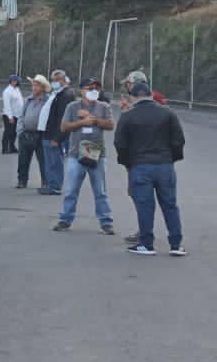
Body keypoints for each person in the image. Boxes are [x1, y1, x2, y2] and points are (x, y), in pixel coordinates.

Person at [116, 81, 187, 256]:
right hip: (164, 164)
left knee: (145, 206)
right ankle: (176, 245)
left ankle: (146, 244)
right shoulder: (167, 113)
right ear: (151, 95)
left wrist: (128, 163)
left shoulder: (127, 116)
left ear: (133, 97)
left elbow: (120, 144)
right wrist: (171, 158)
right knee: (170, 204)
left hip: (140, 165)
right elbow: (178, 140)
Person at [53, 78, 115, 235]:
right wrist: (82, 122)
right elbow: (64, 126)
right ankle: (65, 219)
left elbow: (110, 125)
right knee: (71, 190)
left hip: (97, 154)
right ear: (81, 90)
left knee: (100, 191)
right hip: (76, 154)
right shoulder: (72, 107)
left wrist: (94, 120)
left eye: (95, 88)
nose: (93, 90)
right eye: (89, 88)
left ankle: (106, 222)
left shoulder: (104, 106)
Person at [36, 69, 75, 196]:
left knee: (55, 161)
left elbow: (62, 118)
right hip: (47, 133)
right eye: (52, 80)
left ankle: (55, 186)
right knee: (49, 161)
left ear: (63, 80)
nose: (54, 83)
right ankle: (50, 184)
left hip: (54, 135)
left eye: (56, 80)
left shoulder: (66, 95)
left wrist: (57, 137)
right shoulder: (57, 93)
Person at [15, 75, 50, 191]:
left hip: (40, 134)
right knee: (23, 160)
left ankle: (45, 182)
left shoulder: (48, 100)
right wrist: (20, 130)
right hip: (25, 133)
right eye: (33, 85)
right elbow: (21, 115)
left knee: (43, 160)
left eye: (37, 85)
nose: (34, 88)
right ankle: (22, 181)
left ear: (43, 87)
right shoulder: (28, 100)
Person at [1, 74, 24, 154]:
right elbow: (7, 105)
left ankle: (12, 147)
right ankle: (4, 148)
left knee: (14, 132)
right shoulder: (7, 91)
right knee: (8, 132)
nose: (18, 82)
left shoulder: (17, 89)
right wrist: (10, 117)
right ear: (12, 81)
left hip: (17, 115)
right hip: (9, 115)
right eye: (17, 81)